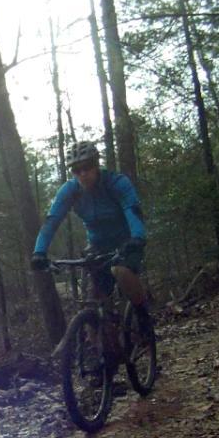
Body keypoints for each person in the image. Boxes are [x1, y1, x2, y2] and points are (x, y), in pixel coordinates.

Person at [30, 140, 152, 339]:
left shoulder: (116, 183)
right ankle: (103, 351)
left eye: (86, 167)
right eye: (76, 170)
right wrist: (39, 252)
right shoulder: (70, 191)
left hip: (126, 240)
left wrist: (137, 237)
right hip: (97, 244)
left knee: (120, 270)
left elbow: (132, 210)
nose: (82, 174)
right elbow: (51, 221)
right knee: (93, 301)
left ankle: (142, 315)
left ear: (96, 165)